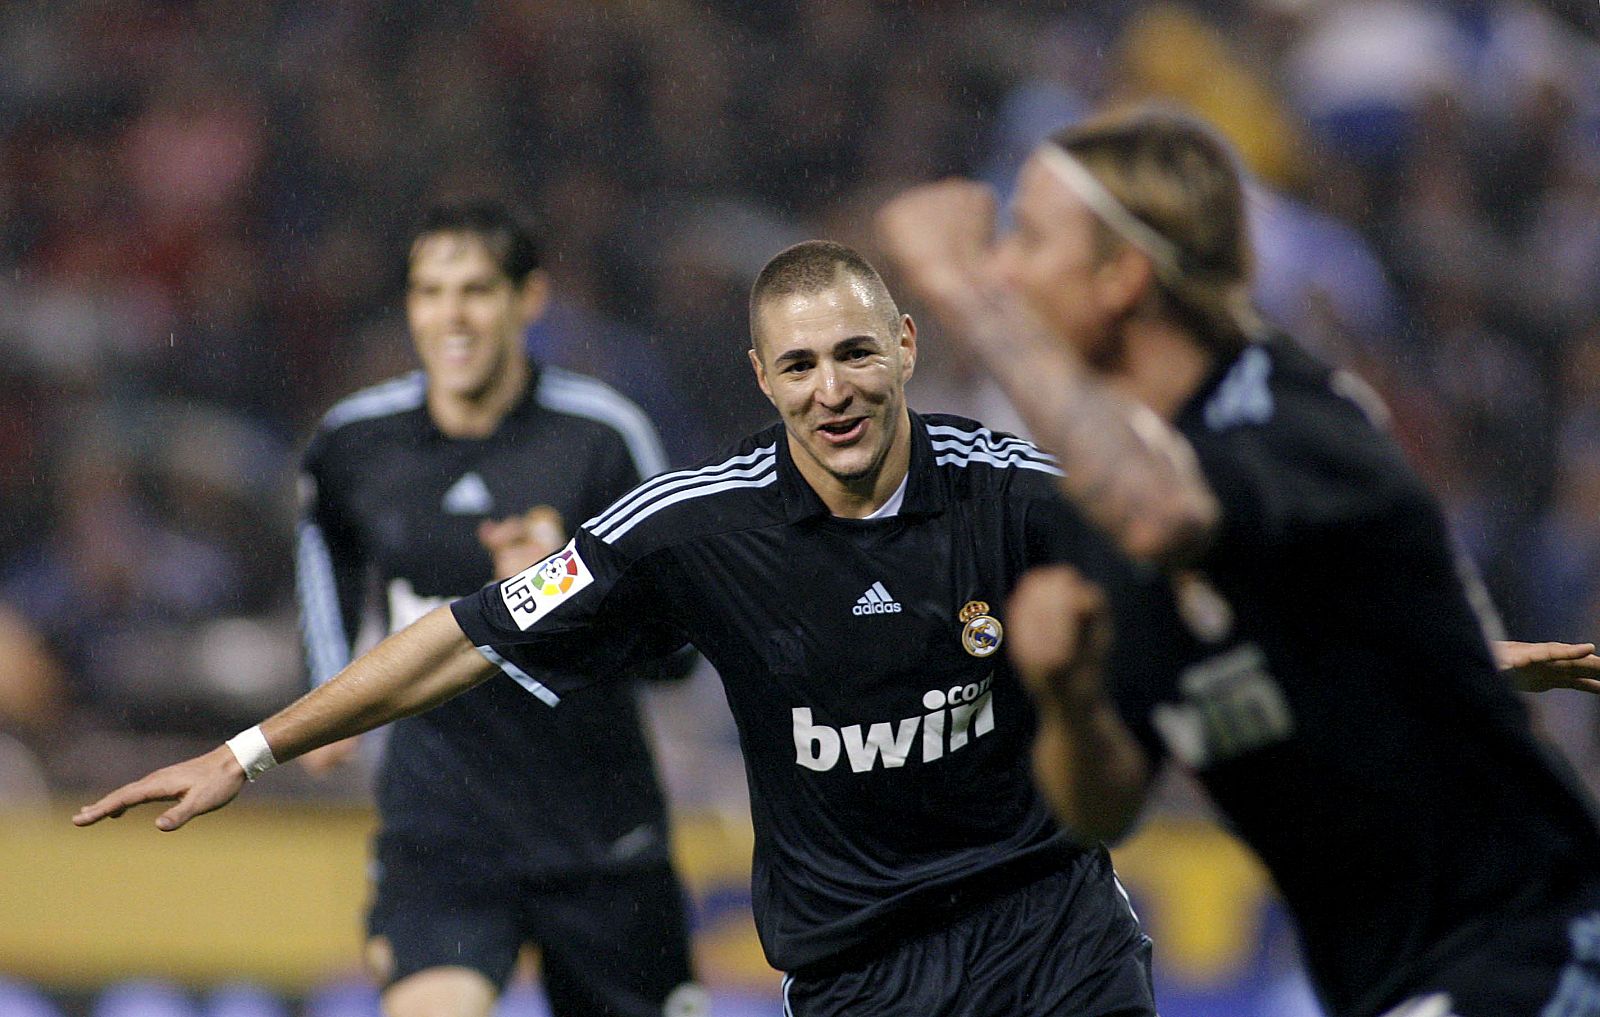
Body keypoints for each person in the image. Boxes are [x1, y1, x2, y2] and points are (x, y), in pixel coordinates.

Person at [77, 240, 1159, 1017]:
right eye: (799, 365)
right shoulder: (693, 524)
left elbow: (1186, 552)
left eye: (856, 354)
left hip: (1047, 926)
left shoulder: (1014, 496)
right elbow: (468, 634)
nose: (832, 391)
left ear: (907, 347)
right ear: (760, 378)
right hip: (859, 971)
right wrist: (249, 751)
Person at [876, 104, 1600, 1017]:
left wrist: (962, 290)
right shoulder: (1104, 514)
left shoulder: (1289, 413)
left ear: (1123, 274)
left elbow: (1165, 509)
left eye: (1028, 239)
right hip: (1392, 981)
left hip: (1536, 944)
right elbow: (1104, 805)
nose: (1008, 268)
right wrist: (1068, 696)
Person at [293, 200, 701, 1017]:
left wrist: (570, 585)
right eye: (429, 291)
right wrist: (326, 689)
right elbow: (323, 555)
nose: (452, 316)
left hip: (601, 834)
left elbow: (678, 647)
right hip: (443, 833)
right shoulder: (353, 444)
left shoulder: (602, 437)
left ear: (529, 299)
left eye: (476, 289)